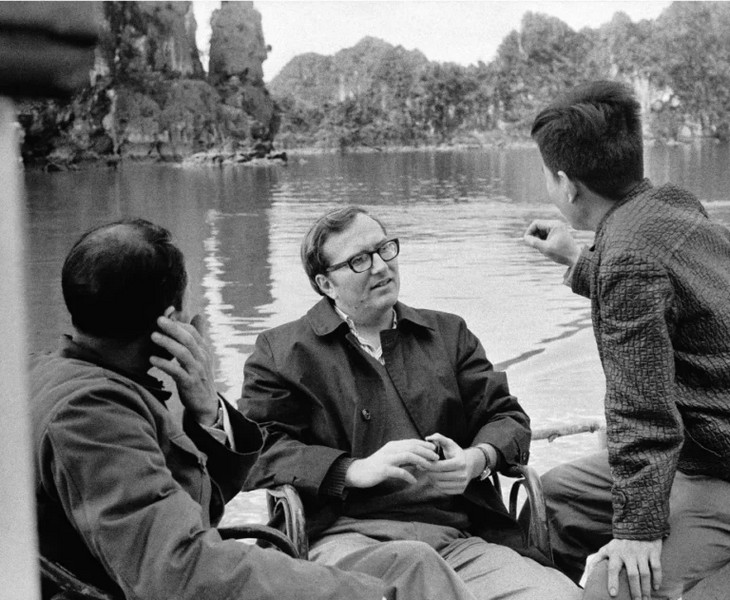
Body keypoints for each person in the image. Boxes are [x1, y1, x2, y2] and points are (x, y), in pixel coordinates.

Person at [33, 218, 395, 600]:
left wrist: (207, 412)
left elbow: (174, 513)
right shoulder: (93, 415)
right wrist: (360, 594)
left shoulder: (55, 377)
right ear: (172, 322)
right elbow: (179, 570)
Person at [240, 206, 580, 600]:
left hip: (456, 537)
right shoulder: (282, 351)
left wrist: (475, 460)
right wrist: (350, 470)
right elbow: (256, 450)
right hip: (341, 541)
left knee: (559, 595)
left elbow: (506, 417)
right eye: (359, 260)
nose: (381, 267)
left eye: (384, 249)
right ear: (326, 283)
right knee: (417, 567)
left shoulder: (447, 334)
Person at [523, 80, 730, 600]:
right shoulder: (673, 204)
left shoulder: (626, 258)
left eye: (547, 175)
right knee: (554, 498)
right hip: (693, 448)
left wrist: (637, 531)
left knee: (616, 589)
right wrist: (577, 259)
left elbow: (642, 411)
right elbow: (666, 292)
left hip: (713, 464)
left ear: (567, 185)